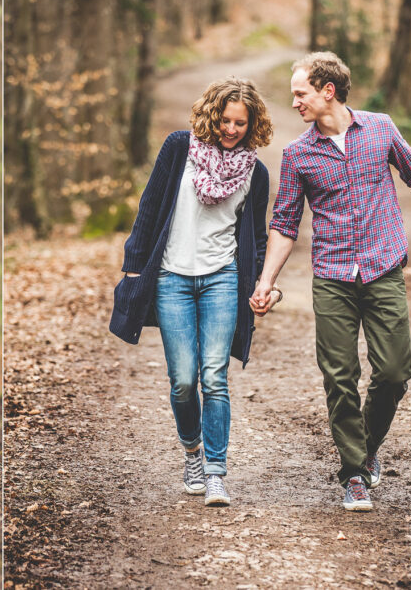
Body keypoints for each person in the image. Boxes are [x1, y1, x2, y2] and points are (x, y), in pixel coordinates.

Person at [250, 51, 411, 512]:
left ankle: (366, 448)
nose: (295, 102)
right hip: (332, 277)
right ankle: (353, 472)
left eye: (300, 93)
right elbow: (285, 223)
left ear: (327, 90)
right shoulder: (297, 155)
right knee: (340, 376)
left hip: (383, 268)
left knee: (393, 373)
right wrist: (265, 280)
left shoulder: (381, 128)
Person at [110, 77, 278, 506]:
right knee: (183, 380)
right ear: (211, 115)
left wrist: (261, 283)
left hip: (222, 278)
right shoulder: (178, 149)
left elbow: (256, 238)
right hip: (171, 278)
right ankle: (192, 452)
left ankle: (217, 473)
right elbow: (150, 206)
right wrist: (133, 265)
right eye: (224, 120)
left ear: (252, 123)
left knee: (214, 377)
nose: (231, 129)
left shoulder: (255, 173)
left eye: (241, 122)